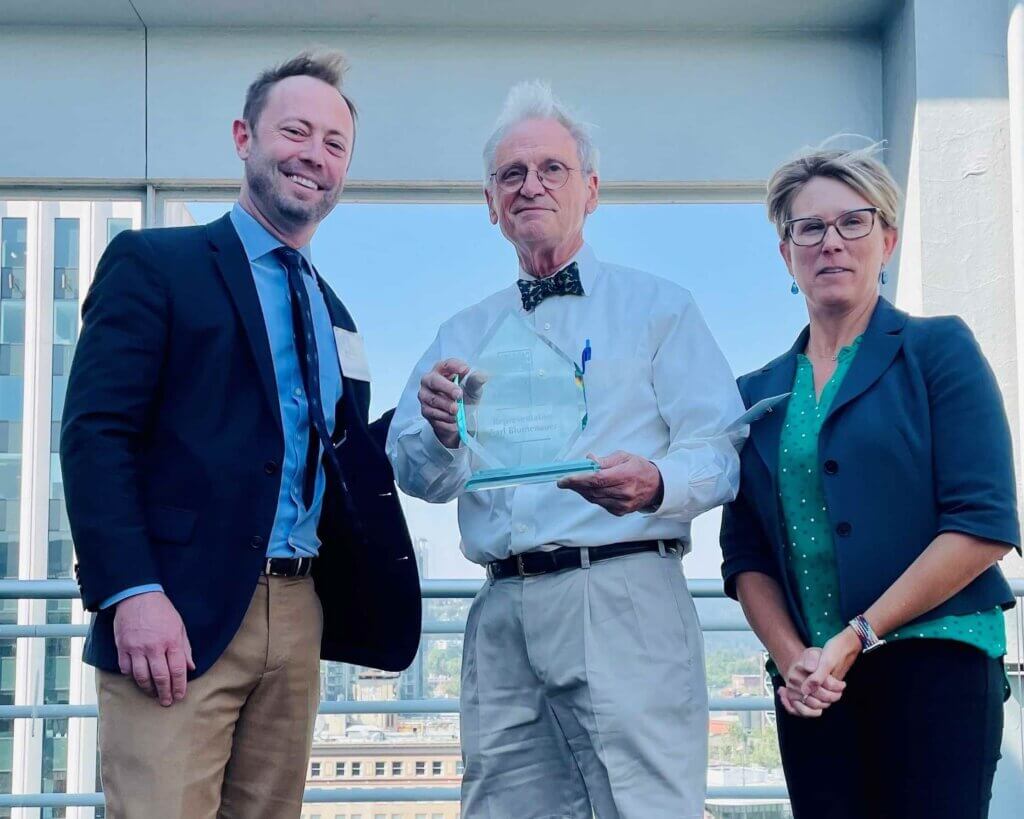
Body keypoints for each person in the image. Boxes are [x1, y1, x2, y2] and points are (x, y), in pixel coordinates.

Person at [60, 51, 420, 819]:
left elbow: (336, 455)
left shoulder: (335, 313)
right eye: (295, 131)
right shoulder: (157, 264)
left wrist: (431, 420)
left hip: (299, 613)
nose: (314, 156)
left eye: (334, 145)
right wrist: (133, 590)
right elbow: (97, 433)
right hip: (177, 611)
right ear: (243, 137)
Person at [386, 81, 745, 819]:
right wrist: (441, 431)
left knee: (646, 807)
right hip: (501, 604)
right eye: (511, 174)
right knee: (501, 807)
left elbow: (722, 449)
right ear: (490, 203)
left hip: (623, 592)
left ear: (591, 188)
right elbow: (416, 473)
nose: (530, 185)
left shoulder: (660, 308)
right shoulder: (463, 331)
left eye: (551, 168)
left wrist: (655, 483)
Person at [720, 144, 1020, 819]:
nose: (832, 242)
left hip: (937, 665)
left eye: (853, 223)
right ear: (785, 252)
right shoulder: (756, 392)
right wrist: (793, 656)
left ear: (886, 238)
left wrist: (856, 634)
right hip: (812, 687)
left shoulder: (938, 349)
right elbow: (745, 555)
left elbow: (984, 522)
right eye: (810, 228)